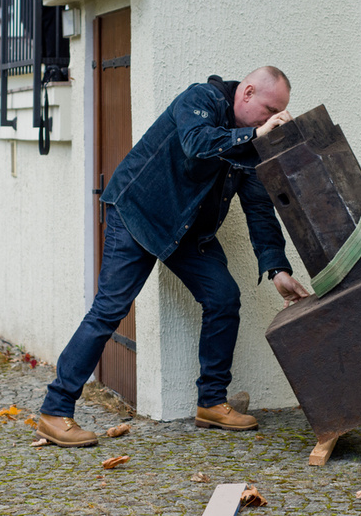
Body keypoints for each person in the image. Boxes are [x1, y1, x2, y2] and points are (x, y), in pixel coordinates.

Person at [36, 66, 310, 448]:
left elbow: (259, 208)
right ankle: (55, 409)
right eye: (269, 109)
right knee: (110, 309)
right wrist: (255, 133)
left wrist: (277, 267)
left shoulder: (251, 142)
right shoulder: (201, 100)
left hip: (188, 232)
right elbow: (197, 143)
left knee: (223, 298)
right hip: (139, 215)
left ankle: (212, 402)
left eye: (277, 113)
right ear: (246, 94)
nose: (271, 120)